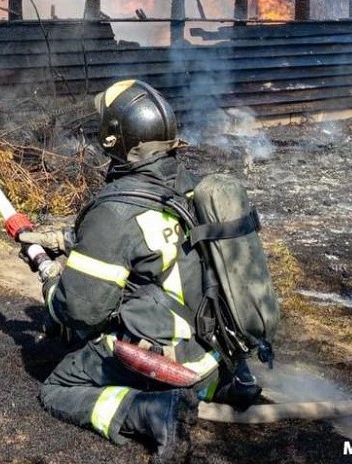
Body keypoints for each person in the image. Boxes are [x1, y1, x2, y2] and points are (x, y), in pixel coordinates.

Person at [19, 79, 262, 464]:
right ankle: (232, 383)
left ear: (113, 138)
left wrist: (50, 280)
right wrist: (67, 239)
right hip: (218, 359)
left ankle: (152, 412)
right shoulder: (187, 187)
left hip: (169, 367)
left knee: (59, 389)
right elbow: (148, 240)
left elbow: (79, 311)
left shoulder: (115, 212)